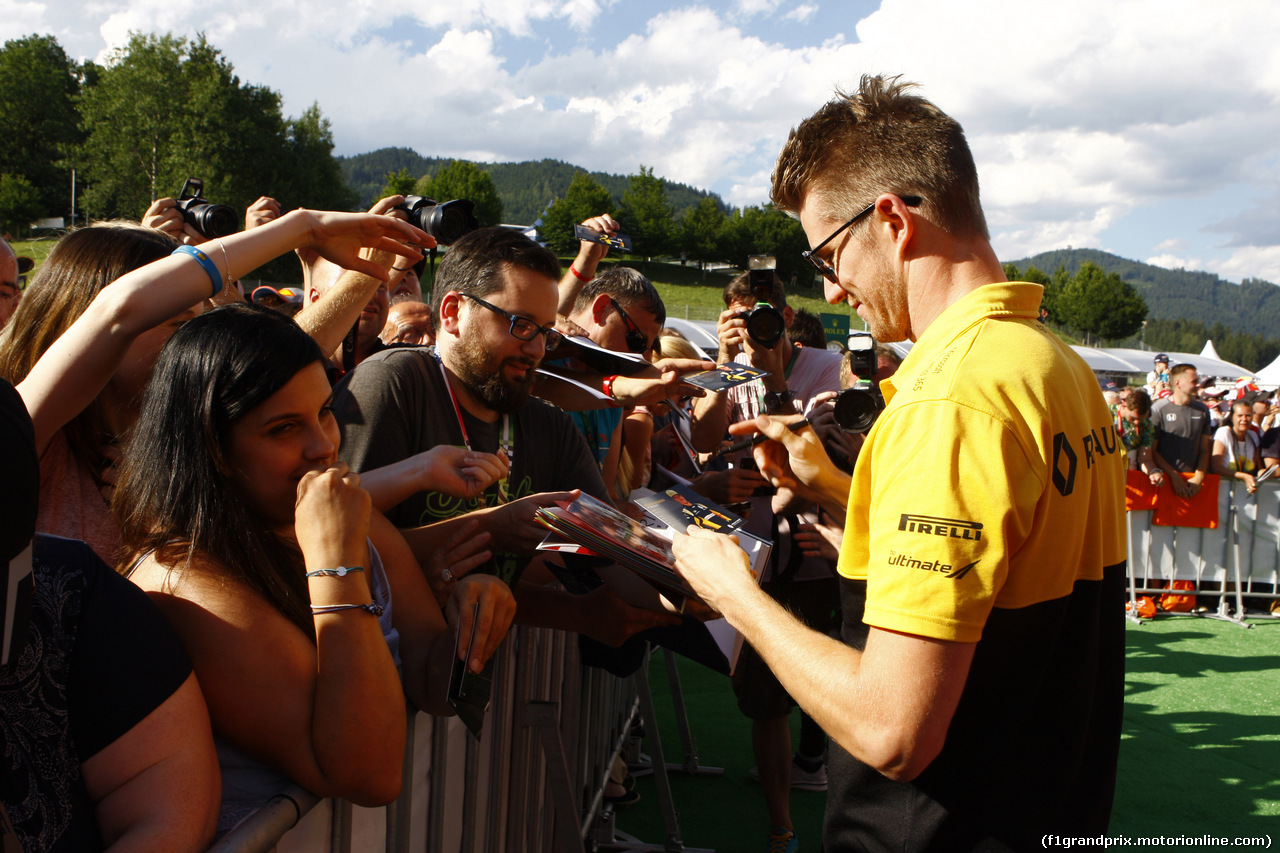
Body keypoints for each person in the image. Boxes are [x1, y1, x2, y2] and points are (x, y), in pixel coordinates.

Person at [671, 74, 1127, 852]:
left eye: (827, 250)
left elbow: (892, 730)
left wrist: (734, 594)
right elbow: (1000, 566)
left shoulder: (948, 401)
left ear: (891, 219)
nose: (828, 283)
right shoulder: (1053, 362)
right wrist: (844, 492)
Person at [114, 304, 516, 833]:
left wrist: (472, 619)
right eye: (283, 428)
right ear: (211, 448)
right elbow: (370, 776)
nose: (324, 446)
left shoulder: (355, 523)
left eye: (325, 411)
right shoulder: (184, 581)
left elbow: (427, 682)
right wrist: (334, 563)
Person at [333, 226, 678, 647]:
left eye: (546, 331)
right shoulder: (393, 384)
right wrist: (490, 529)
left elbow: (618, 561)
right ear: (452, 313)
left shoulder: (548, 425)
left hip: (457, 686)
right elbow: (335, 543)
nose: (536, 349)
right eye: (521, 324)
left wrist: (706, 589)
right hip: (367, 670)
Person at [687, 271, 843, 851]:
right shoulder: (726, 363)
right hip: (753, 547)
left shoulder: (824, 368)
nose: (755, 327)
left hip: (813, 549)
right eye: (742, 316)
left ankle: (828, 790)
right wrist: (724, 366)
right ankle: (782, 825)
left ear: (783, 313)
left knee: (830, 679)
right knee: (764, 697)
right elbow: (703, 440)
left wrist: (775, 379)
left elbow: (822, 456)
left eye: (763, 316)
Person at [1151, 363, 1214, 499]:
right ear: (1178, 383)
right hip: (1165, 483)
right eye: (1194, 381)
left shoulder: (1203, 410)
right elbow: (1152, 450)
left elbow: (1204, 448)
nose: (1198, 385)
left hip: (1192, 484)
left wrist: (1199, 477)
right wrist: (1173, 475)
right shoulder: (1158, 409)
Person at [1112, 387, 1163, 485]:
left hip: (1130, 477)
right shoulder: (1107, 413)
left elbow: (1145, 457)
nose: (1137, 422)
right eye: (1133, 418)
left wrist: (1153, 472)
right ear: (1124, 405)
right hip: (1108, 475)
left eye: (1141, 418)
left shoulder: (1146, 425)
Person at [1211, 399, 1262, 494]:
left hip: (1245, 493)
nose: (1244, 419)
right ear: (1232, 417)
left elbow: (1258, 466)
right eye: (1240, 415)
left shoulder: (1253, 436)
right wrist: (1244, 476)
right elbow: (1216, 467)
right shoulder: (1224, 432)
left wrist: (1264, 473)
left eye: (1248, 416)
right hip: (1223, 492)